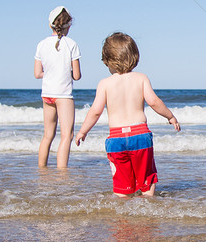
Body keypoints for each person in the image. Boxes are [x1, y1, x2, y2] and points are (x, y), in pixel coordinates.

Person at [75, 32, 180, 197]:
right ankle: (147, 207)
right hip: (140, 136)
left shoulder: (104, 84)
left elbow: (95, 111)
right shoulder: (141, 78)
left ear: (108, 60)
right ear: (134, 56)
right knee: (146, 179)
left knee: (121, 185)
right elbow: (154, 102)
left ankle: (124, 218)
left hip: (116, 139)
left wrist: (83, 131)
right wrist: (170, 116)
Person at [34, 6, 81, 168]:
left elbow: (37, 73)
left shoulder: (41, 44)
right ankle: (62, 173)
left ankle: (42, 169)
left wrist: (51, 72)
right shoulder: (71, 44)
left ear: (50, 26)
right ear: (68, 26)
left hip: (47, 94)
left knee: (48, 135)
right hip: (63, 95)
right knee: (66, 135)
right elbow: (77, 75)